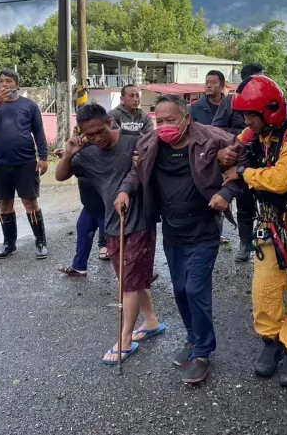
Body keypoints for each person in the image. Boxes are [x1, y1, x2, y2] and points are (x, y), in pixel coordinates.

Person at [115, 94, 245, 384]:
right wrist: (125, 190)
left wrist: (226, 192)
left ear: (186, 118)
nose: (164, 126)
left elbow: (245, 158)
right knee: (180, 290)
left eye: (171, 120)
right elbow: (136, 171)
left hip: (204, 229)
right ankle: (193, 337)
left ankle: (202, 352)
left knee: (195, 289)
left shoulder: (212, 138)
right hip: (172, 231)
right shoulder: (149, 143)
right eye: (159, 121)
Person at [222, 75, 287, 388]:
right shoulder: (256, 134)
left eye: (252, 116)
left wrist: (241, 171)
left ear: (271, 111)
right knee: (264, 288)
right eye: (245, 116)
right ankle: (271, 342)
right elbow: (232, 146)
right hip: (269, 221)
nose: (247, 122)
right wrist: (225, 153)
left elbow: (280, 180)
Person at [55, 103, 163, 365]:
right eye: (89, 134)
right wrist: (69, 154)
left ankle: (125, 339)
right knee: (133, 279)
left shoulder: (134, 142)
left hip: (138, 223)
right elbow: (59, 176)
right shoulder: (87, 153)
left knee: (128, 282)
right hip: (113, 224)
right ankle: (150, 321)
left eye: (100, 131)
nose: (96, 138)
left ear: (110, 123)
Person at [0, 68, 49, 260]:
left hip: (25, 162)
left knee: (30, 203)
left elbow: (39, 133)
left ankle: (40, 242)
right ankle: (9, 244)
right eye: (1, 81)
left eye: (8, 81)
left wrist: (43, 157)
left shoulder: (29, 105)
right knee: (5, 204)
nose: (4, 84)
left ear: (17, 84)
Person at [213, 63, 265, 262]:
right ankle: (244, 246)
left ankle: (264, 241)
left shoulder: (266, 100)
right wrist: (244, 136)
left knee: (265, 204)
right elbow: (216, 129)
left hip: (263, 160)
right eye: (257, 79)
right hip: (238, 160)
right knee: (242, 202)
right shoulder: (231, 101)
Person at [57, 172, 108, 277]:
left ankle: (131, 275)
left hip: (107, 206)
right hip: (90, 204)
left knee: (115, 239)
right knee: (83, 228)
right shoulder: (82, 156)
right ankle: (79, 266)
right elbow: (62, 175)